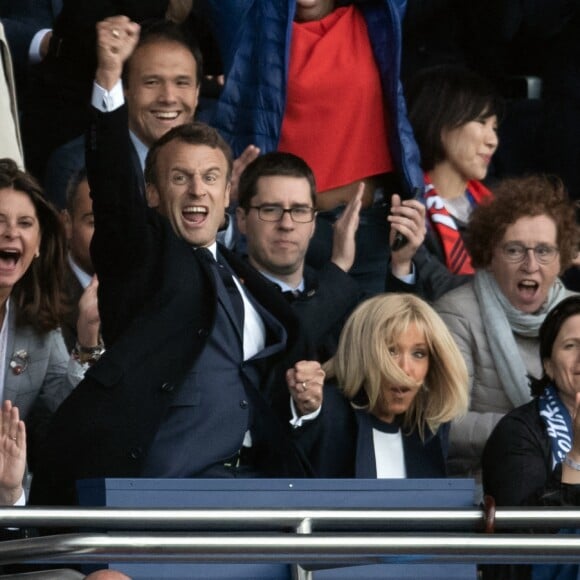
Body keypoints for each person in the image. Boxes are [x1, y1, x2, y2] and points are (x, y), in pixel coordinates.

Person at [28, 18, 325, 507]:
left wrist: (302, 403)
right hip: (160, 486)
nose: (196, 190)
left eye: (210, 177)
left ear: (229, 192)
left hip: (255, 484)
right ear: (151, 193)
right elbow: (114, 195)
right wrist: (108, 77)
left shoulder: (249, 279)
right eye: (180, 178)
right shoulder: (142, 255)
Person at [199, 0, 424, 296]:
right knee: (298, 339)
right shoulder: (252, 23)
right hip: (285, 231)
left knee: (373, 339)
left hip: (371, 230)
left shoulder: (375, 18)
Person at [434, 174, 578, 485]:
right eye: (515, 250)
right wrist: (541, 429)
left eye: (544, 251)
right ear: (489, 255)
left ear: (561, 258)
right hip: (487, 489)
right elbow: (444, 424)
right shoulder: (456, 314)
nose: (530, 264)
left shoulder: (576, 312)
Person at [294, 293, 468, 478]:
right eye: (391, 351)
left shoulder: (431, 424)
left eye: (418, 354)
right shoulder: (328, 412)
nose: (405, 369)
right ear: (362, 354)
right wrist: (306, 408)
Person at [483, 295, 580, 580]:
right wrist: (576, 455)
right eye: (571, 346)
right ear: (548, 365)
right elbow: (521, 542)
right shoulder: (519, 432)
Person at [236, 151, 362, 360]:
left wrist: (401, 266)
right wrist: (339, 266)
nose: (286, 224)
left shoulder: (345, 293)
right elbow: (283, 350)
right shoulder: (227, 293)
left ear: (314, 223)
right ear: (241, 220)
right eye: (270, 210)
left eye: (300, 211)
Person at [0, 158, 78, 469]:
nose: (10, 233)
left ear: (40, 244)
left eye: (25, 223)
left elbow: (71, 414)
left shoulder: (38, 327)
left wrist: (86, 343)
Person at [405, 65, 502, 275]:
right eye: (481, 122)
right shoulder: (409, 209)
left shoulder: (500, 208)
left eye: (494, 128)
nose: (493, 141)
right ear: (440, 120)